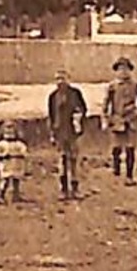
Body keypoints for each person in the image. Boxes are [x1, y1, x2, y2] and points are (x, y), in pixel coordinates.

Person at [103, 57, 137, 185]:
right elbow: (106, 103)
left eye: (126, 69)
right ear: (116, 72)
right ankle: (116, 166)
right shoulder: (112, 86)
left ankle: (130, 175)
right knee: (116, 147)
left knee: (130, 148)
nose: (123, 72)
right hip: (117, 119)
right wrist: (106, 118)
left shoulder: (135, 84)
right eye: (120, 70)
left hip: (131, 119)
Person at [46, 68, 89, 200]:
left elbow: (83, 109)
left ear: (68, 79)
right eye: (57, 79)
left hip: (72, 131)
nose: (60, 82)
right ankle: (63, 189)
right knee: (62, 160)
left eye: (63, 78)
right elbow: (51, 115)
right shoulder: (53, 96)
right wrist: (52, 133)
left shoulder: (75, 93)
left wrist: (78, 120)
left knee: (74, 159)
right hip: (60, 132)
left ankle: (75, 188)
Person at [0, 120, 29, 204]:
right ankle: (1, 195)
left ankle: (16, 196)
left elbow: (25, 153)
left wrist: (20, 155)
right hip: (6, 164)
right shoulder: (1, 144)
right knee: (5, 180)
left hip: (16, 164)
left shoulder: (19, 144)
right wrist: (2, 156)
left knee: (16, 181)